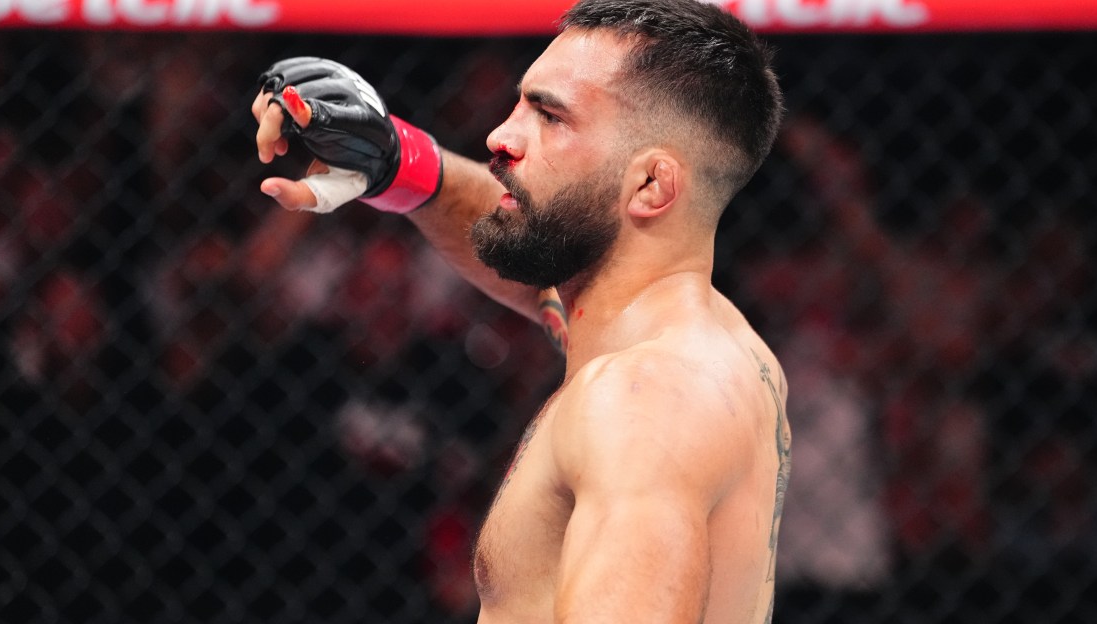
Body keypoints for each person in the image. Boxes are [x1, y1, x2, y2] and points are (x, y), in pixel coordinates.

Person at [250, 0, 788, 620]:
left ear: (650, 185)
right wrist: (399, 160)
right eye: (520, 105)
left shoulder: (641, 402)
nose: (499, 137)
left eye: (550, 116)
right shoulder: (710, 345)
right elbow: (541, 282)